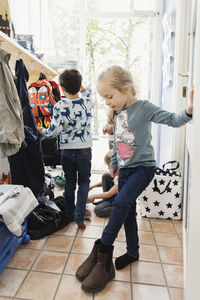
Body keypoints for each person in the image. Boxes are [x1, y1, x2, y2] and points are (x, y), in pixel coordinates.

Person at [75, 65, 193, 292]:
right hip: (127, 170)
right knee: (127, 211)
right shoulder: (118, 114)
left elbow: (171, 119)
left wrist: (188, 111)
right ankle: (132, 252)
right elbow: (119, 143)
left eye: (110, 96)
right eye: (104, 98)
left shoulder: (144, 108)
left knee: (120, 202)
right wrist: (116, 166)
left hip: (143, 168)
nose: (107, 102)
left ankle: (103, 250)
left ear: (126, 88)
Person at [38, 69, 93, 229]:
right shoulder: (88, 102)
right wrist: (82, 87)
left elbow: (53, 132)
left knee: (70, 183)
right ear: (80, 84)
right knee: (84, 183)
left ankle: (69, 214)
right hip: (84, 150)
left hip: (68, 151)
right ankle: (80, 216)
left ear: (61, 88)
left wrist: (42, 131)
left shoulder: (60, 106)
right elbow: (88, 92)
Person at [88, 150, 118, 217]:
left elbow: (109, 194)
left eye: (110, 167)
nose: (108, 168)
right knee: (106, 176)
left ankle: (125, 212)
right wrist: (92, 187)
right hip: (113, 196)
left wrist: (92, 196)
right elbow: (110, 182)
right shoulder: (116, 173)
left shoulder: (122, 177)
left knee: (98, 210)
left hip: (119, 202)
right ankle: (106, 201)